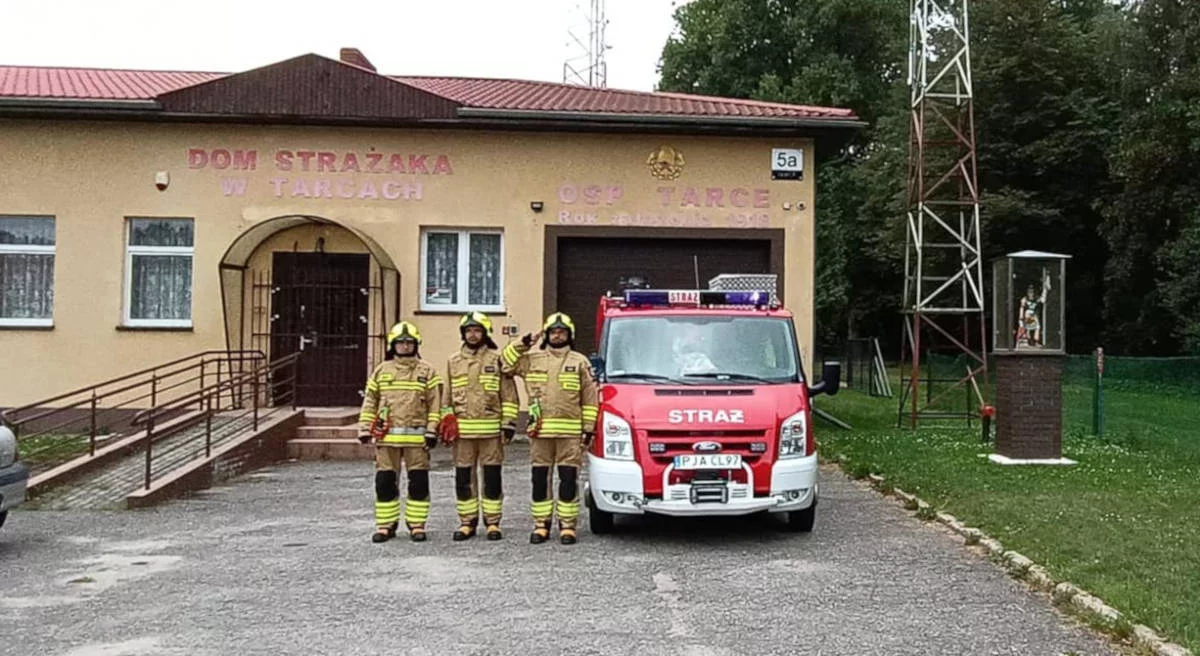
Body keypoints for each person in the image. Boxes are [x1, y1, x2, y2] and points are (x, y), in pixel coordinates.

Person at [501, 312, 598, 545]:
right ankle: (541, 525)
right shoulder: (531, 359)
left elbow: (590, 398)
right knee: (540, 479)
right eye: (553, 332)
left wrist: (588, 429)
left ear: (569, 335)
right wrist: (522, 344)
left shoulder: (580, 362)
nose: (557, 336)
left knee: (568, 479)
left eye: (561, 332)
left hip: (570, 434)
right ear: (546, 335)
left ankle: (567, 526)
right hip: (540, 434)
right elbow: (505, 365)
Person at [357, 321, 442, 543]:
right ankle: (385, 525)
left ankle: (417, 525)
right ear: (392, 345)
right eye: (401, 342)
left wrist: (432, 431)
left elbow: (435, 405)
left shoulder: (427, 371)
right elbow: (370, 402)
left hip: (417, 439)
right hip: (387, 439)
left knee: (418, 482)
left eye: (409, 342)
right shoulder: (381, 370)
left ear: (416, 344)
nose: (405, 346)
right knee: (385, 482)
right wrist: (365, 428)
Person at [439, 312, 519, 541]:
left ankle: (493, 522)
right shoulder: (453, 361)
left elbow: (509, 396)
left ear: (485, 333)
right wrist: (446, 421)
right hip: (463, 434)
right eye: (469, 331)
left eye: (477, 330)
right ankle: (467, 522)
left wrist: (508, 425)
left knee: (492, 477)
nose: (473, 335)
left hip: (491, 433)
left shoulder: (497, 360)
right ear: (463, 334)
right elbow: (447, 396)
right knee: (464, 477)